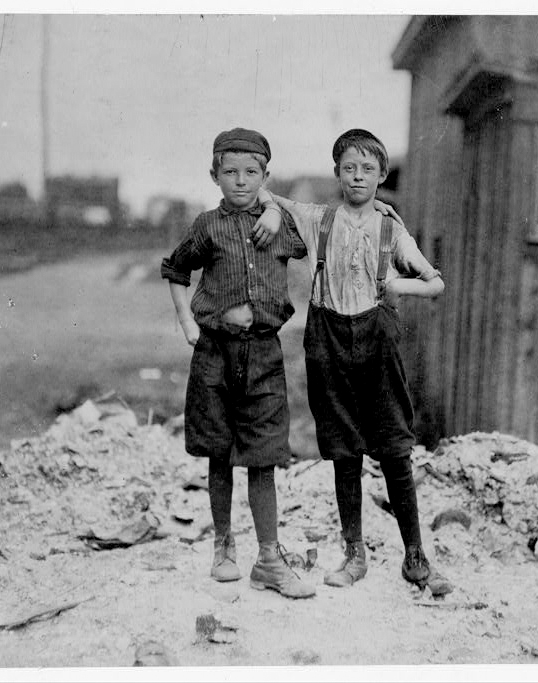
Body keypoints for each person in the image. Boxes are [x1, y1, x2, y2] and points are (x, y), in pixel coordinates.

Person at [254, 128, 453, 596]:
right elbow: (266, 192)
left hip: (378, 340)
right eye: (349, 168)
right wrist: (269, 208)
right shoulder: (317, 219)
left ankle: (416, 558)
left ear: (382, 175)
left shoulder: (391, 229)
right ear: (337, 173)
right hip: (327, 341)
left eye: (367, 168)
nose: (358, 176)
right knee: (344, 450)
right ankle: (354, 554)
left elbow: (435, 283)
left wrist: (398, 285)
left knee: (394, 448)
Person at [160, 127, 315, 599]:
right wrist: (187, 322)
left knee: (263, 457)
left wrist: (273, 208)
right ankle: (223, 547)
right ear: (215, 176)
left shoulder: (280, 225)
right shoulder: (207, 225)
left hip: (264, 353)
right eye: (230, 172)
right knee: (219, 452)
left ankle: (268, 560)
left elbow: (311, 233)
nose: (241, 181)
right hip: (215, 353)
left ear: (265, 176)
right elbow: (176, 268)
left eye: (252, 172)